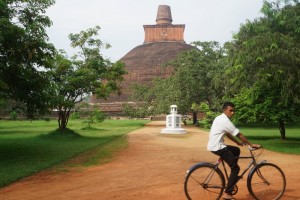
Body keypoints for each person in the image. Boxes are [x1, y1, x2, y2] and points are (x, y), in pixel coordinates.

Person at [207, 102, 261, 200]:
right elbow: (239, 134)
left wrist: (238, 143)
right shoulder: (225, 121)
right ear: (224, 110)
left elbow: (227, 134)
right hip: (218, 147)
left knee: (236, 150)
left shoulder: (219, 118)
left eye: (233, 111)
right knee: (236, 169)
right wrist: (251, 144)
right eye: (230, 110)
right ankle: (227, 193)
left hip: (214, 146)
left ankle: (233, 177)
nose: (232, 113)